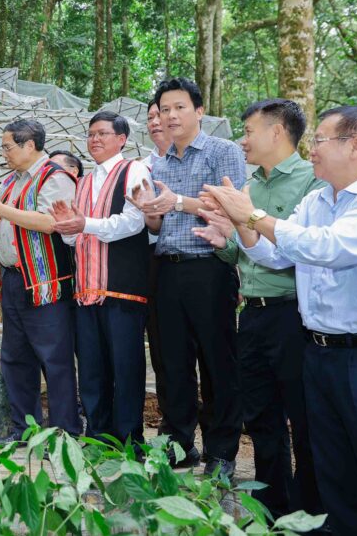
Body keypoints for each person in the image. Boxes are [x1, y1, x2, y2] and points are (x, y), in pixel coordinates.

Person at [203, 106, 357, 535]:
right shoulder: (317, 200)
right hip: (320, 352)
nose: (311, 150)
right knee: (336, 469)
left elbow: (328, 247)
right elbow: (277, 254)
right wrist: (243, 226)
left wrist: (252, 214)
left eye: (321, 140)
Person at [193, 99, 324, 519]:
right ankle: (271, 510)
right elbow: (246, 254)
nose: (242, 140)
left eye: (249, 131)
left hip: (293, 315)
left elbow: (298, 250)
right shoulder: (251, 184)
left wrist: (245, 220)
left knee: (302, 422)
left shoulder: (312, 183)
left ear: (277, 132)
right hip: (251, 313)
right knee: (263, 419)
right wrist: (225, 241)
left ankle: (310, 512)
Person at [129, 77, 245, 478]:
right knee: (169, 362)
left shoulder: (222, 151)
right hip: (165, 268)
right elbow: (160, 227)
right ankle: (180, 443)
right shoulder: (158, 163)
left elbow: (233, 207)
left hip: (209, 267)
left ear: (199, 111)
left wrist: (177, 201)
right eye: (164, 109)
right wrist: (151, 212)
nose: (170, 115)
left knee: (217, 360)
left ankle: (222, 450)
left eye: (179, 107)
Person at [0, 119, 81, 439]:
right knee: (16, 358)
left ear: (29, 145)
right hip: (13, 280)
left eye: (7, 147)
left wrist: (0, 207)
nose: (4, 153)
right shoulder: (10, 180)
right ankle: (24, 429)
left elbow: (49, 223)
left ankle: (64, 432)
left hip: (45, 283)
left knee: (54, 358)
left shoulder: (56, 178)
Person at [52, 111, 151, 444]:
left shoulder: (135, 170)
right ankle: (98, 438)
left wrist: (85, 225)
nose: (94, 140)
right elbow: (75, 238)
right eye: (90, 134)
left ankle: (129, 442)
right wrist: (69, 227)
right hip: (85, 291)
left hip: (122, 290)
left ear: (121, 139)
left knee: (125, 370)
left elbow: (133, 222)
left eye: (103, 134)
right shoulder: (85, 181)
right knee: (92, 372)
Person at [140, 99, 174, 434]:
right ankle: (171, 426)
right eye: (150, 116)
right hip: (151, 261)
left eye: (161, 114)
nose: (155, 121)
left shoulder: (200, 160)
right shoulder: (141, 168)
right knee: (162, 347)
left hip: (198, 260)